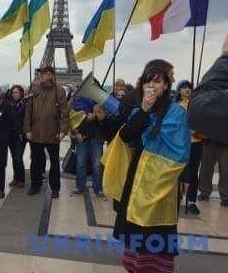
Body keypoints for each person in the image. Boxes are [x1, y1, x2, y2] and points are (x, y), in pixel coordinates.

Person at [108, 63, 190, 273]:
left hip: (160, 182)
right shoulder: (139, 110)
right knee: (135, 239)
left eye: (157, 81)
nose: (152, 85)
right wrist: (144, 110)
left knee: (155, 235)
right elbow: (125, 136)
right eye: (148, 80)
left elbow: (180, 151)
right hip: (136, 180)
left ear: (166, 85)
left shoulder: (176, 112)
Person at [188, 34, 228, 207]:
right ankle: (204, 192)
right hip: (209, 140)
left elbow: (199, 108)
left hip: (223, 141)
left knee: (226, 170)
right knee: (206, 169)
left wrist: (225, 57)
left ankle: (225, 196)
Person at [24, 66, 70, 198]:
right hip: (36, 132)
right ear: (41, 75)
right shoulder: (34, 89)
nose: (47, 76)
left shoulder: (59, 90)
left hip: (52, 132)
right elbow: (28, 110)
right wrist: (27, 129)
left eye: (50, 74)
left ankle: (55, 188)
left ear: (53, 75)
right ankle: (35, 184)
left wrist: (63, 130)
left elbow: (64, 112)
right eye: (45, 74)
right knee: (36, 161)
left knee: (55, 163)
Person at [175, 80, 203, 215]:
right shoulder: (176, 106)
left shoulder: (196, 105)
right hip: (181, 143)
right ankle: (177, 197)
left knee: (193, 172)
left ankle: (192, 201)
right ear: (179, 90)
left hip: (195, 142)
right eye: (184, 87)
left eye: (189, 87)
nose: (187, 89)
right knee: (179, 171)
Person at [71, 97, 106, 200]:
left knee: (97, 164)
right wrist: (77, 133)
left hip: (96, 137)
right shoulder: (78, 102)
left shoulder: (100, 101)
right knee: (81, 163)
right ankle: (80, 187)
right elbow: (72, 118)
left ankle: (98, 188)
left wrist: (99, 116)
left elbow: (105, 121)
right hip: (82, 136)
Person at [7, 85, 27, 188]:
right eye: (13, 92)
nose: (14, 94)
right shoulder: (9, 104)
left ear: (21, 93)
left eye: (17, 92)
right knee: (14, 157)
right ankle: (16, 178)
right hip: (11, 135)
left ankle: (21, 179)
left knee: (18, 157)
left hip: (20, 135)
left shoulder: (24, 104)